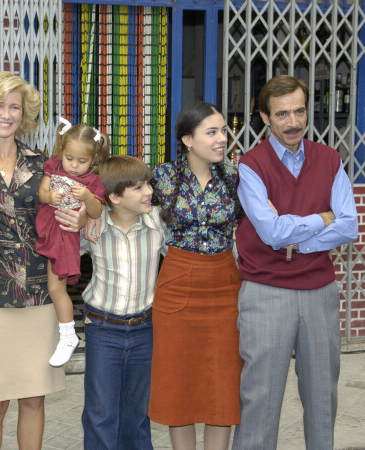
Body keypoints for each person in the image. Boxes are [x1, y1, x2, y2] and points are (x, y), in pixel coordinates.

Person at [0, 71, 87, 449]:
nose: (6, 114)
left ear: (24, 114)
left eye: (14, 107)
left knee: (33, 397)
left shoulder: (45, 164)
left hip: (39, 293)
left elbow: (75, 210)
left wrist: (81, 217)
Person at [232, 75, 358, 449]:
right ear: (265, 117)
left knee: (323, 399)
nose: (293, 122)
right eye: (282, 114)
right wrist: (322, 218)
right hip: (266, 292)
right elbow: (271, 232)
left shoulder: (329, 159)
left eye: (299, 111)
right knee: (260, 400)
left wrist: (298, 242)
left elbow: (349, 225)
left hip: (320, 291)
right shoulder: (251, 165)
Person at [148, 101, 243, 449]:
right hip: (177, 284)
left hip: (225, 286)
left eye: (223, 131)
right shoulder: (162, 177)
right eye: (212, 132)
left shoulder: (235, 176)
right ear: (188, 139)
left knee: (223, 385)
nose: (222, 139)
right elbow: (121, 204)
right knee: (179, 387)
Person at [80, 155, 165, 450]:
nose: (149, 192)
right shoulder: (93, 225)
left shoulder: (158, 223)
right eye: (138, 187)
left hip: (145, 328)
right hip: (102, 328)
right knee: (101, 411)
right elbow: (61, 247)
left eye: (148, 184)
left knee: (138, 411)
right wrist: (85, 215)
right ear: (114, 197)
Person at [36, 120, 107, 367]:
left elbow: (96, 212)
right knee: (54, 287)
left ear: (93, 159)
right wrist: (49, 196)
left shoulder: (93, 181)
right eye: (69, 159)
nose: (74, 166)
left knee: (56, 288)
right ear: (61, 152)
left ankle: (68, 335)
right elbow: (41, 194)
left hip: (64, 236)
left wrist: (87, 197)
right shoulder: (53, 166)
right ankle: (67, 334)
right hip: (47, 228)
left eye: (82, 161)